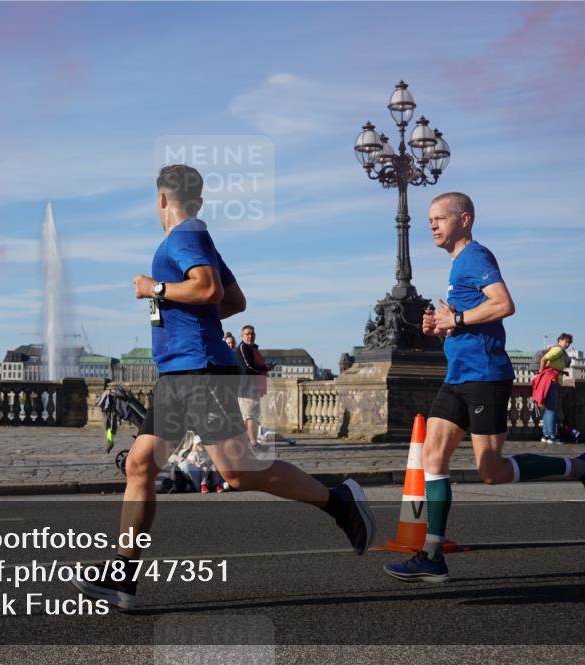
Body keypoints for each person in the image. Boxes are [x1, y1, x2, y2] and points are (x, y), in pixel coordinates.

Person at [71, 164, 375, 609]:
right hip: (182, 370)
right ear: (197, 199)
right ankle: (123, 577)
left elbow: (209, 288)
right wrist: (189, 311)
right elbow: (234, 301)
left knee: (238, 471)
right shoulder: (199, 237)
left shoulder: (184, 237)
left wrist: (152, 288)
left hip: (199, 371)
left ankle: (340, 501)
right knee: (140, 465)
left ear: (161, 200)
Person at [383, 192, 585, 584]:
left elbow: (504, 304)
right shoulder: (458, 264)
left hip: (486, 376)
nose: (432, 226)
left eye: (440, 218)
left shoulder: (475, 256)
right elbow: (469, 323)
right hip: (458, 376)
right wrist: (440, 327)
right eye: (429, 221)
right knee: (432, 459)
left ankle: (584, 467)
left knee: (490, 471)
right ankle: (431, 556)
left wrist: (455, 317)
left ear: (465, 219)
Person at [237, 325, 270, 446]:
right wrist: (263, 370)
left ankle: (248, 441)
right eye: (247, 334)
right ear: (242, 336)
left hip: (255, 386)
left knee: (252, 414)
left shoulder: (253, 349)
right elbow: (248, 366)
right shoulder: (243, 348)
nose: (250, 336)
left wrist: (265, 369)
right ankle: (253, 442)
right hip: (246, 386)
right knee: (250, 414)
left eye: (252, 334)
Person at [538, 333, 573, 443]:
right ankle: (552, 435)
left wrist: (562, 372)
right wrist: (541, 372)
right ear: (560, 340)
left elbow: (551, 365)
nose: (567, 344)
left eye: (569, 343)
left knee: (548, 409)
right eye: (566, 342)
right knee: (552, 409)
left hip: (551, 379)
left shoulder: (556, 350)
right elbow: (544, 359)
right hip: (552, 380)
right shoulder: (558, 350)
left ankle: (546, 435)